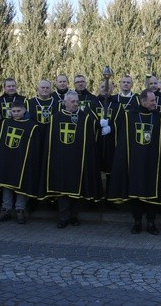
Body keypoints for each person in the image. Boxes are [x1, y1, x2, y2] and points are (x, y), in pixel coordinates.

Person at [107, 89, 161, 235]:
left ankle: (151, 222)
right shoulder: (130, 117)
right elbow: (123, 141)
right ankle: (137, 222)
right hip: (134, 162)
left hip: (153, 163)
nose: (155, 103)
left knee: (152, 193)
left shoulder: (158, 117)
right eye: (152, 101)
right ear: (143, 101)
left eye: (155, 100)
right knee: (136, 193)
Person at [44, 91, 103, 228]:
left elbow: (90, 132)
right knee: (63, 190)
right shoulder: (56, 118)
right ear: (65, 102)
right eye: (73, 102)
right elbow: (51, 141)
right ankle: (63, 218)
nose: (76, 104)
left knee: (76, 189)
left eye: (77, 102)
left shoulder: (83, 117)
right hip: (61, 160)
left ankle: (74, 216)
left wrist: (101, 125)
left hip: (78, 159)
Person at [0, 101, 41, 224]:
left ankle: (20, 210)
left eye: (18, 111)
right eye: (14, 111)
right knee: (7, 183)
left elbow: (34, 148)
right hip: (8, 159)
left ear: (24, 110)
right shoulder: (6, 123)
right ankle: (5, 209)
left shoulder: (32, 126)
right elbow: (0, 143)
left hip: (22, 161)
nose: (16, 113)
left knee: (21, 185)